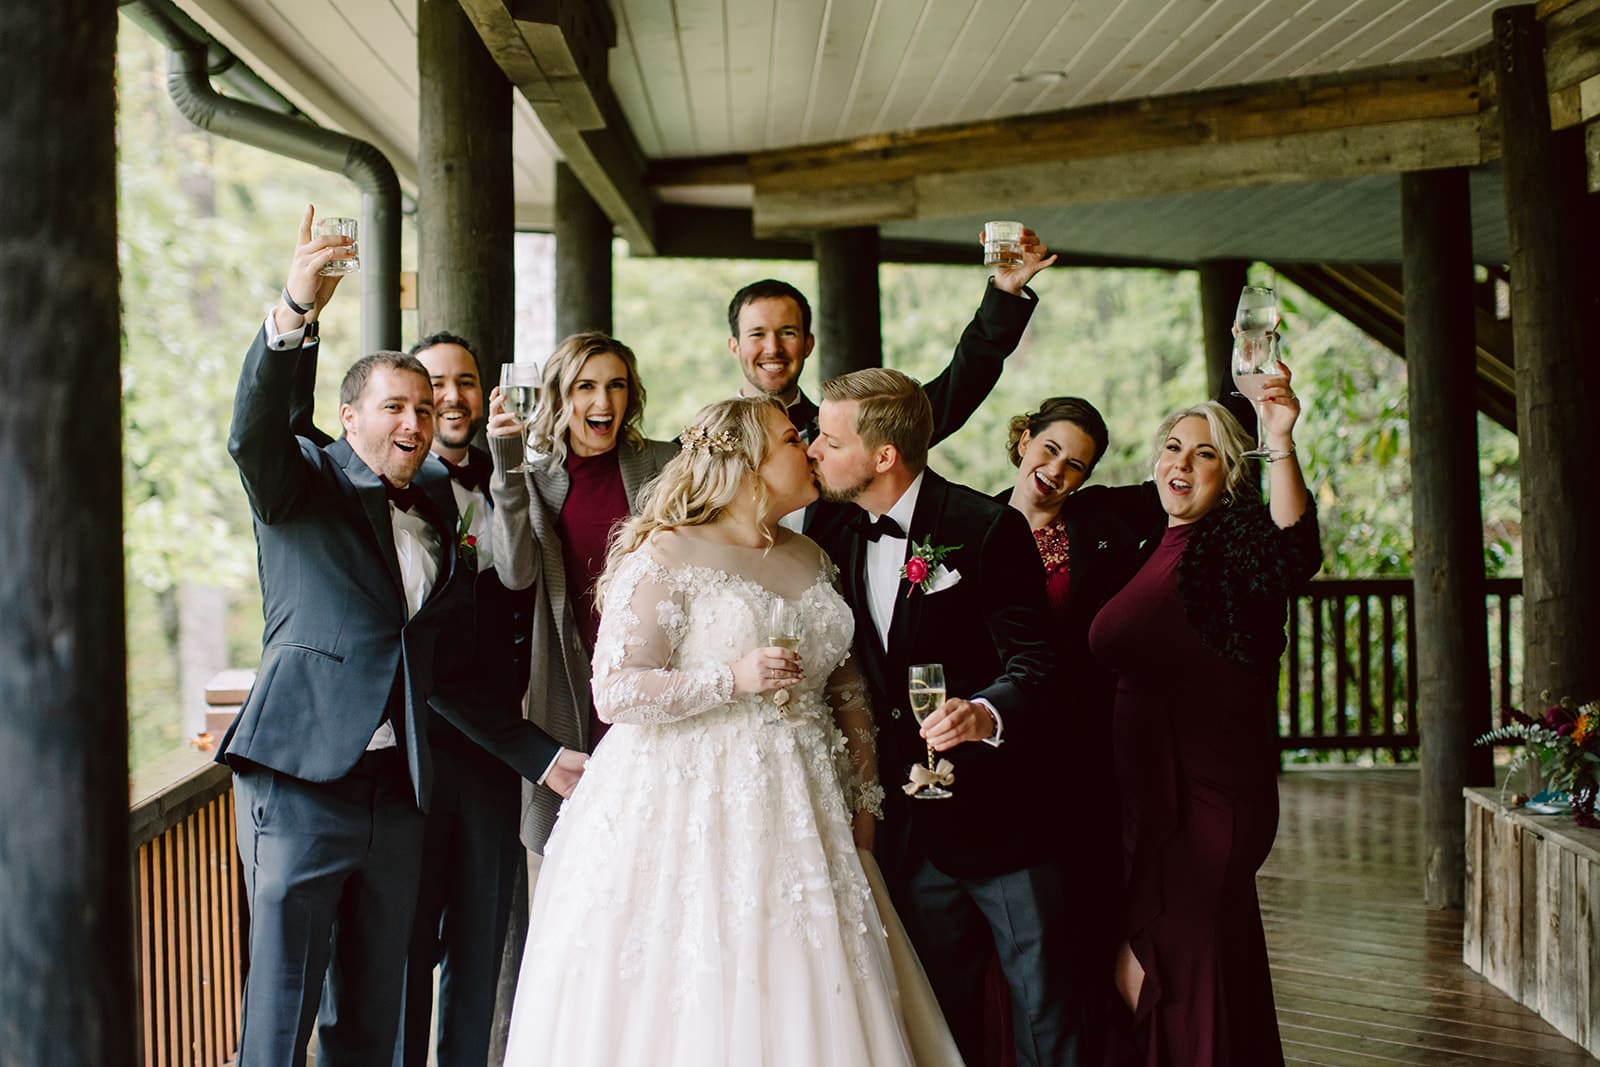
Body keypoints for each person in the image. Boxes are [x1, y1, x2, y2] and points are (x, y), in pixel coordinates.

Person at [222, 207, 585, 1066]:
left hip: (402, 793)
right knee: (281, 1012)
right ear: (349, 417)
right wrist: (295, 310)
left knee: (380, 1023)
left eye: (425, 408)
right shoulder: (300, 485)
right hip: (303, 778)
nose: (417, 422)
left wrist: (541, 754)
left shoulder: (433, 508)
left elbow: (443, 670)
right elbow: (254, 430)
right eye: (396, 406)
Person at [501, 396, 960, 1066]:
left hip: (806, 808)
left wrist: (865, 796)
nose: (807, 447)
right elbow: (618, 688)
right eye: (788, 439)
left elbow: (846, 684)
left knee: (808, 977)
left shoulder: (811, 553)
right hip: (691, 806)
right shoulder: (665, 550)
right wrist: (731, 678)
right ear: (748, 463)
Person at [806, 368, 1073, 1067]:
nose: (814, 451)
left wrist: (985, 713)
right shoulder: (834, 530)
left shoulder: (984, 527)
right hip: (902, 827)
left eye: (829, 440)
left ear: (884, 455)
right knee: (934, 1017)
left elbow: (1038, 662)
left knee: (1043, 1010)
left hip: (1001, 823)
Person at [1087, 379, 1320, 1067]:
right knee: (1197, 968)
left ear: (1231, 471)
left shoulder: (1230, 546)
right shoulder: (1149, 542)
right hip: (1148, 799)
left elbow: (1294, 550)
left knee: (1162, 968)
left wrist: (1277, 436)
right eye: (1171, 447)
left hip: (1208, 800)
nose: (1180, 463)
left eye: (1204, 454)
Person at [726, 229, 1056, 535]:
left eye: (788, 333)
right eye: (757, 334)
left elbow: (960, 386)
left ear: (808, 343)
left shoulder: (854, 428)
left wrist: (1005, 292)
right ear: (734, 346)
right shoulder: (691, 448)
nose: (773, 348)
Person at [488, 332, 679, 855]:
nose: (602, 402)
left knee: (659, 839)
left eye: (616, 385)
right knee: (587, 848)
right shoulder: (533, 478)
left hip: (655, 678)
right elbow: (515, 573)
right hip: (573, 683)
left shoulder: (667, 465)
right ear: (558, 397)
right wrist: (506, 466)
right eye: (585, 387)